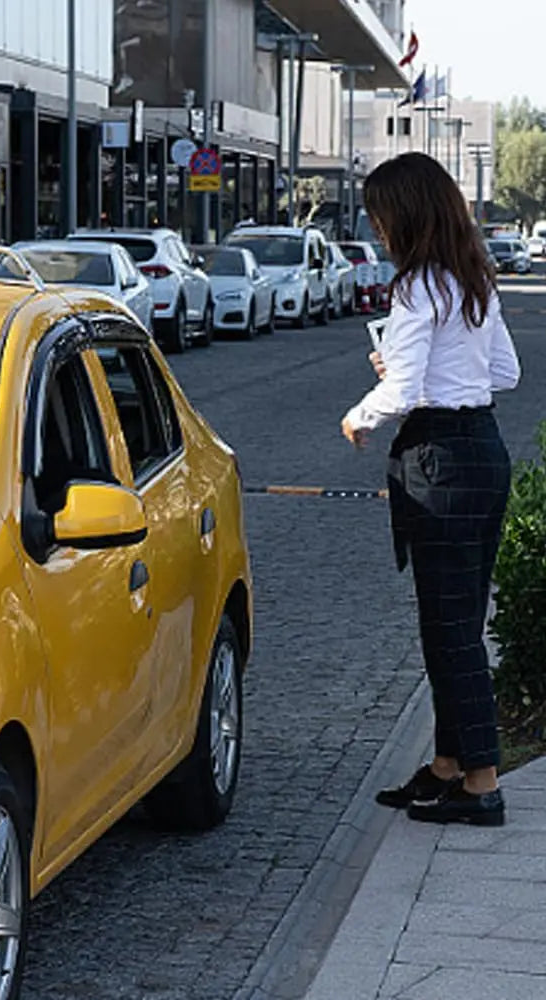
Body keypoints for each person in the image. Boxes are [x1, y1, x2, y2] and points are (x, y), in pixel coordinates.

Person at [340, 152, 521, 827]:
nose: (377, 228)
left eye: (380, 215)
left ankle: (481, 782)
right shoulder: (472, 280)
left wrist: (359, 415)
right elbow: (505, 371)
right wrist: (417, 370)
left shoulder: (417, 288)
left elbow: (406, 391)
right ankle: (449, 766)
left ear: (405, 214)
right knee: (460, 623)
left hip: (439, 458)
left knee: (450, 634)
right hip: (484, 451)